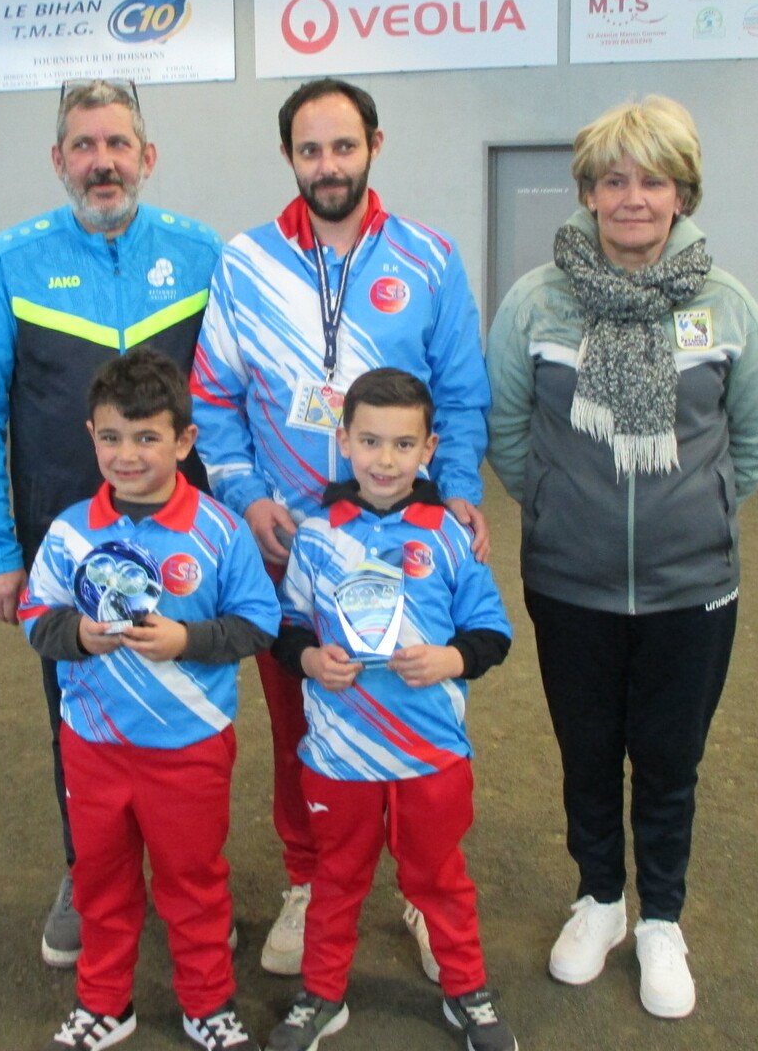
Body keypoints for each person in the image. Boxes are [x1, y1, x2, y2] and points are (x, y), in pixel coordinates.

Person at [484, 95, 758, 1020]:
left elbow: (754, 441)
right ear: (587, 192)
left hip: (692, 585)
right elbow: (506, 431)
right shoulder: (537, 302)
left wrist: (694, 510)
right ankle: (600, 900)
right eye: (613, 181)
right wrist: (558, 505)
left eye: (653, 181)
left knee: (668, 759)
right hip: (569, 580)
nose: (633, 199)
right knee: (586, 751)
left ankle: (661, 919)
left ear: (682, 193)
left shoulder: (726, 305)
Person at [191, 78, 492, 977]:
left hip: (408, 542)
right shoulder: (245, 263)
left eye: (344, 147)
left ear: (375, 146)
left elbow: (462, 394)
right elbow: (213, 400)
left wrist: (458, 492)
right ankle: (308, 878)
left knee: (416, 705)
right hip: (292, 546)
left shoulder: (430, 257)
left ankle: (424, 886)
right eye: (310, 150)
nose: (328, 166)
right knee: (304, 717)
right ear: (289, 156)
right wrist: (248, 498)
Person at [0, 78, 221, 968]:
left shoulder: (201, 255)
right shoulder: (11, 262)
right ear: (58, 160)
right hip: (62, 546)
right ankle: (89, 872)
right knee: (79, 716)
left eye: (117, 144)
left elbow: (235, 394)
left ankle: (189, 880)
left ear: (148, 156)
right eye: (84, 145)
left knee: (190, 708)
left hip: (187, 541)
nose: (102, 162)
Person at [19, 348, 277, 1051]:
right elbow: (36, 617)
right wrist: (78, 634)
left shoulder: (219, 530)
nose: (127, 455)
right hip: (94, 745)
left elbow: (259, 623)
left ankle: (207, 1004)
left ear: (185, 440)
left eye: (146, 437)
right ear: (90, 436)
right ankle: (105, 1003)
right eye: (110, 437)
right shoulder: (71, 531)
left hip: (189, 746)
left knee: (193, 883)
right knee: (100, 881)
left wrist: (187, 639)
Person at [266, 368, 516, 1051]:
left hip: (430, 756)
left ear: (429, 448)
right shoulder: (316, 536)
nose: (385, 460)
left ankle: (466, 991)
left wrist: (449, 659)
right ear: (344, 441)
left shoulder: (450, 535)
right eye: (370, 441)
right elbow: (286, 629)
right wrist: (310, 660)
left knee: (440, 880)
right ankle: (322, 995)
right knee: (335, 881)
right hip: (339, 758)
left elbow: (492, 633)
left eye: (404, 445)